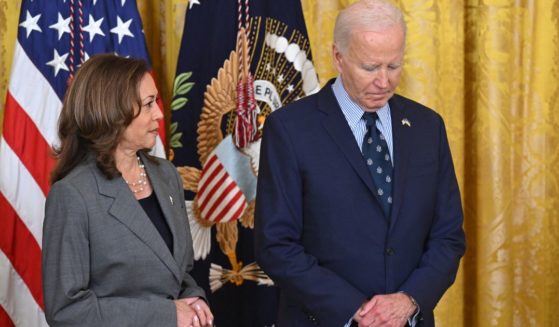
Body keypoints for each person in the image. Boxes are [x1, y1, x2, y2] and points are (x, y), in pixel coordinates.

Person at [254, 0, 466, 326]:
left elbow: (448, 236)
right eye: (370, 68)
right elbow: (276, 245)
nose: (384, 81)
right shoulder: (290, 129)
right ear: (338, 57)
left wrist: (408, 300)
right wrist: (356, 310)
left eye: (393, 66)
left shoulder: (427, 127)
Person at [42, 54, 214, 327]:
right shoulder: (73, 195)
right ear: (112, 112)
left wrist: (194, 300)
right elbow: (66, 311)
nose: (159, 113)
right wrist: (167, 315)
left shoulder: (166, 175)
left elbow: (177, 274)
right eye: (148, 104)